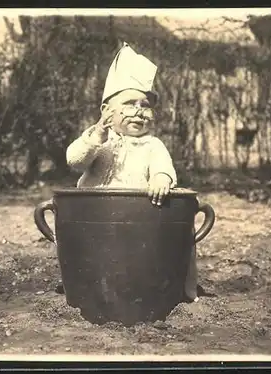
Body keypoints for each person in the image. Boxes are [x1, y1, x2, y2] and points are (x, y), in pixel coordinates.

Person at [64, 42, 199, 302]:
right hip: (95, 219)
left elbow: (163, 167)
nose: (139, 111)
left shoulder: (152, 145)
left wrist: (161, 178)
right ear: (106, 111)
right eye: (128, 104)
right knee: (96, 260)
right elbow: (75, 161)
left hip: (136, 222)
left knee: (133, 260)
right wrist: (95, 138)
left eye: (145, 105)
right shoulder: (98, 140)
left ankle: (142, 287)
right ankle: (91, 287)